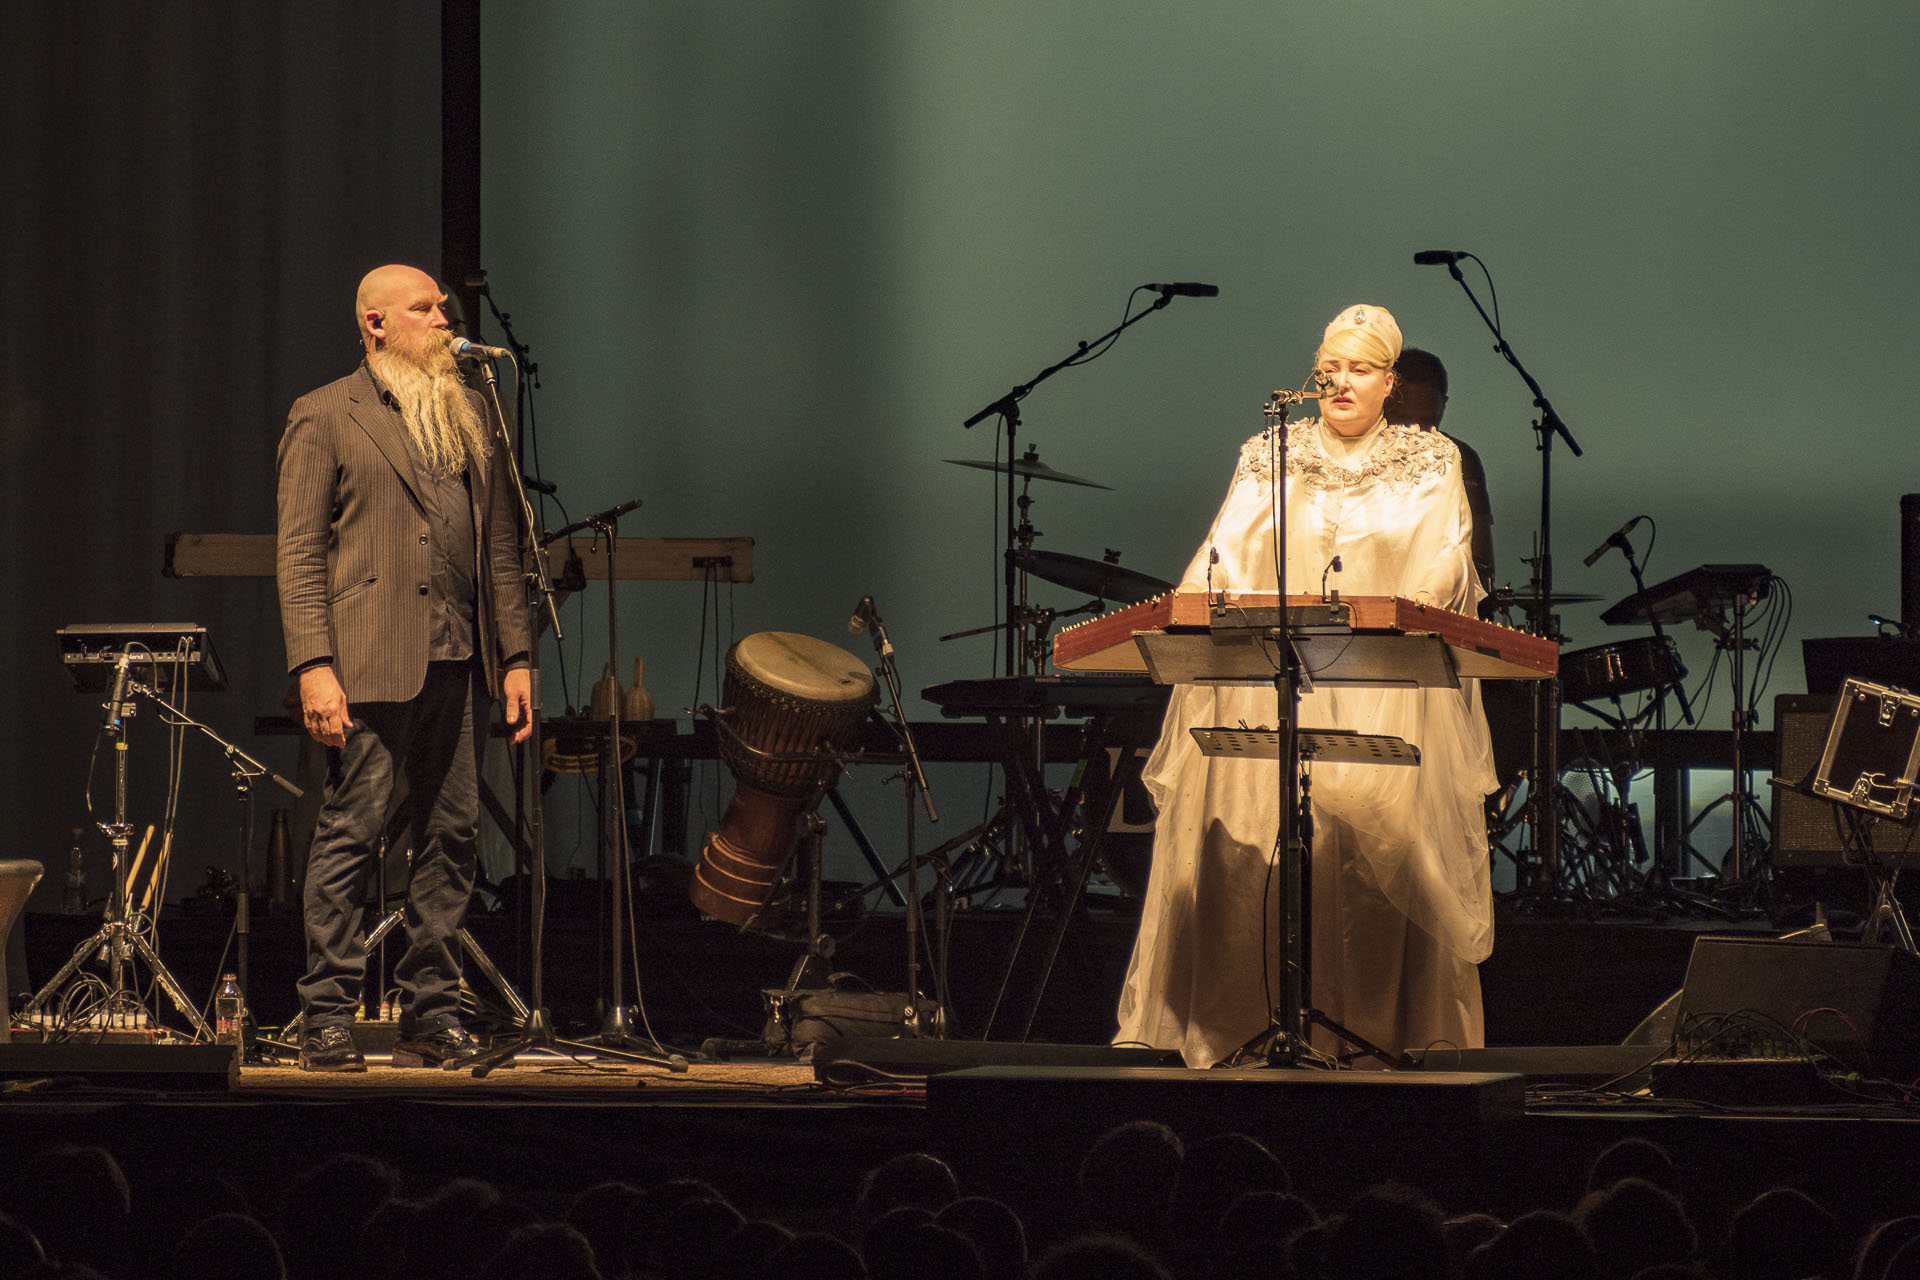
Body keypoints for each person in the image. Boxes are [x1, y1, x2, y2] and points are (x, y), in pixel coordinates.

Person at [1113, 303, 1497, 1067]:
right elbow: (1222, 549)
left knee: (1365, 865)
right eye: (1329, 370)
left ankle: (1378, 1039)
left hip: (1380, 685)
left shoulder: (1432, 459)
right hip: (1269, 682)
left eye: (1360, 370)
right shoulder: (1269, 451)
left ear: (1390, 382)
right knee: (1254, 851)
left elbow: (1449, 559)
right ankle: (1240, 1032)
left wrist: (1399, 617)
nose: (1341, 384)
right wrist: (1188, 611)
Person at [276, 263, 533, 1072]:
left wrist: (517, 654)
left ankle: (432, 1011)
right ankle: (326, 1011)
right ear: (376, 324)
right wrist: (314, 665)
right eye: (425, 308)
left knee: (454, 838)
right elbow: (298, 555)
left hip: (462, 658)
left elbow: (499, 544)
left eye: (442, 306)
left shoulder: (471, 412)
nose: (444, 318)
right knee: (354, 833)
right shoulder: (324, 414)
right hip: (370, 661)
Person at [1384, 348, 1496, 594]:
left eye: (1426, 423)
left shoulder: (1460, 456)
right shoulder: (1361, 457)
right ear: (1385, 403)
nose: (1415, 436)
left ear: (1443, 404)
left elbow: (1481, 557)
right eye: (1403, 421)